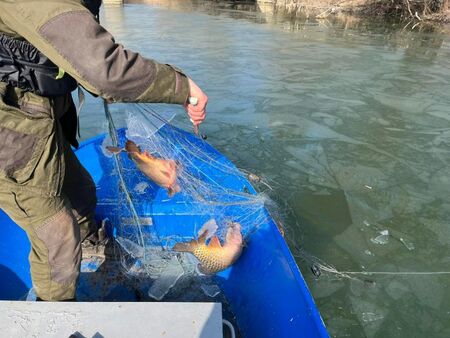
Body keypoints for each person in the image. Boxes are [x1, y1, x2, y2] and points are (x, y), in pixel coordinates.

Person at [0, 0, 208, 301]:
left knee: (81, 192)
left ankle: (89, 249)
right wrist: (183, 87)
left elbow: (78, 47)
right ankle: (54, 313)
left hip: (35, 116)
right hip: (10, 131)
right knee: (56, 235)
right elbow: (105, 69)